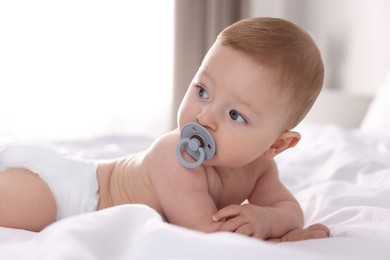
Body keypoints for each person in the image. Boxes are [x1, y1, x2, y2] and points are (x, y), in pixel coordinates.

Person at [0, 17, 329, 241]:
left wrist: (269, 221)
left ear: (277, 145)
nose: (205, 117)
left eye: (235, 115)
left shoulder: (261, 169)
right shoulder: (173, 158)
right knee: (25, 209)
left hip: (72, 187)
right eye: (202, 91)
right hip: (68, 193)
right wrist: (280, 241)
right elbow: (208, 236)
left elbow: (288, 210)